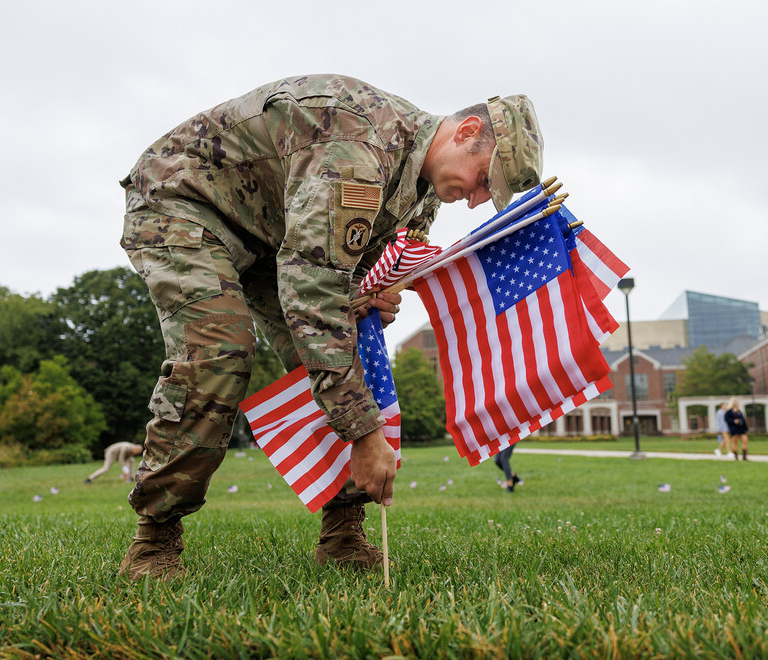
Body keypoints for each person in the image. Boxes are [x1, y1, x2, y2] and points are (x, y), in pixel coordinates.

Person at [117, 74, 543, 580]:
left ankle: (343, 533)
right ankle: (154, 542)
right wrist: (364, 434)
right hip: (186, 204)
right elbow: (313, 292)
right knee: (222, 351)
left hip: (275, 237)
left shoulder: (423, 191)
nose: (475, 200)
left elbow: (348, 272)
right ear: (467, 131)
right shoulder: (359, 149)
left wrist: (369, 294)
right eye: (483, 179)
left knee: (354, 350)